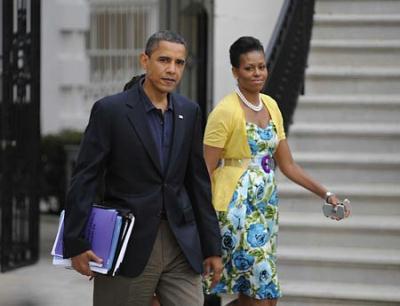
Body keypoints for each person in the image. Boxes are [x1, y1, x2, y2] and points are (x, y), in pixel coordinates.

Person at [63, 30, 223, 306]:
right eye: (164, 60)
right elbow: (85, 178)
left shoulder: (190, 111)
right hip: (127, 242)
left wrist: (212, 246)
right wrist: (75, 242)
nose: (172, 69)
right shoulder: (110, 111)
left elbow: (197, 182)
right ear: (144, 60)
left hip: (181, 243)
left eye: (179, 62)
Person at [202, 36, 350, 306]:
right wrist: (207, 223)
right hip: (236, 211)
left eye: (261, 66)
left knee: (266, 297)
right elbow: (205, 170)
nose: (257, 73)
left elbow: (288, 165)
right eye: (249, 68)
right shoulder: (224, 112)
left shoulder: (271, 105)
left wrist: (326, 194)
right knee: (261, 294)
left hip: (266, 209)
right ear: (235, 72)